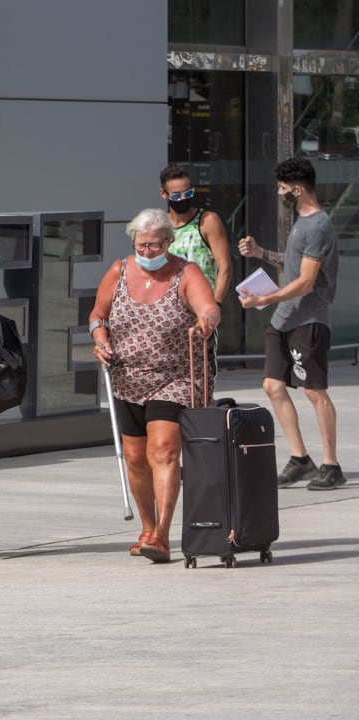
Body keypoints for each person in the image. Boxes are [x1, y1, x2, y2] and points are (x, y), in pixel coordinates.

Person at [89, 208, 219, 563]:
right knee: (135, 458)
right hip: (127, 378)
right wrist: (99, 338)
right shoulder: (118, 271)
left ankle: (162, 534)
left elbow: (208, 308)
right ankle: (147, 528)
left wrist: (206, 321)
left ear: (168, 241)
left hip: (175, 377)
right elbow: (97, 315)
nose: (146, 252)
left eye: (154, 245)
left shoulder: (185, 273)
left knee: (162, 450)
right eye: (141, 245)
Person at [237, 158, 346, 490]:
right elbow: (294, 262)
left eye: (283, 189)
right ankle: (300, 459)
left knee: (314, 390)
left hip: (309, 319)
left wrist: (263, 300)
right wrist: (261, 254)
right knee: (273, 385)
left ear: (297, 189)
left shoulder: (319, 226)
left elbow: (306, 282)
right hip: (284, 319)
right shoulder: (302, 222)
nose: (279, 194)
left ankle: (331, 465)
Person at [159, 165, 233, 305]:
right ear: (164, 194)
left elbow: (225, 268)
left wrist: (215, 304)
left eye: (187, 193)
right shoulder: (160, 226)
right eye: (176, 195)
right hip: (168, 310)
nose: (183, 198)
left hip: (201, 307)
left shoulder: (207, 221)